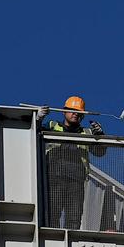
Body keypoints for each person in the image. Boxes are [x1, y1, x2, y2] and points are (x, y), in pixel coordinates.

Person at [37, 96, 106, 230]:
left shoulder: (87, 133)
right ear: (64, 112)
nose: (75, 114)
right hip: (54, 178)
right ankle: (52, 240)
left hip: (76, 180)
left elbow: (99, 152)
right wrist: (38, 119)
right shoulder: (52, 126)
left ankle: (71, 244)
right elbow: (33, 132)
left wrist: (100, 136)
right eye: (72, 110)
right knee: (52, 215)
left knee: (74, 218)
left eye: (78, 112)